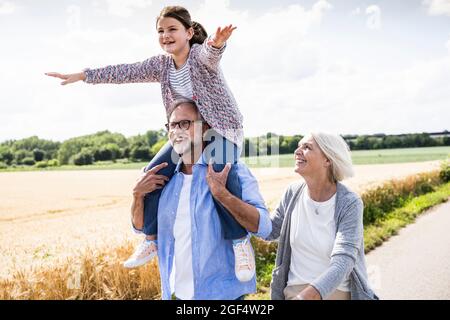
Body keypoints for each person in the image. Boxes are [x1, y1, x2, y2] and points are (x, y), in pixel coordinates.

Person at [45, 6, 254, 281]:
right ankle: (151, 237)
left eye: (172, 29)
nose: (166, 35)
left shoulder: (199, 58)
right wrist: (84, 75)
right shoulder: (161, 65)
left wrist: (217, 43)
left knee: (220, 174)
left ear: (189, 33)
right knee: (152, 174)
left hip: (221, 129)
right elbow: (125, 72)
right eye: (161, 31)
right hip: (186, 134)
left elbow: (210, 53)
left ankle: (239, 242)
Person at [131, 100, 271, 299]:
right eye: (172, 125)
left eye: (185, 123)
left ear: (205, 128)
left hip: (224, 295)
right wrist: (137, 196)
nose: (177, 130)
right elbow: (139, 227)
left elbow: (264, 227)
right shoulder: (164, 179)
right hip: (178, 294)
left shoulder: (232, 170)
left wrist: (222, 194)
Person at [266, 133, 378, 300]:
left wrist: (305, 298)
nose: (297, 151)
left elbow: (343, 262)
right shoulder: (292, 192)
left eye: (307, 147)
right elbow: (270, 230)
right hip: (293, 292)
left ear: (328, 160)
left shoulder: (349, 203)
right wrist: (230, 197)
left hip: (335, 292)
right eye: (299, 145)